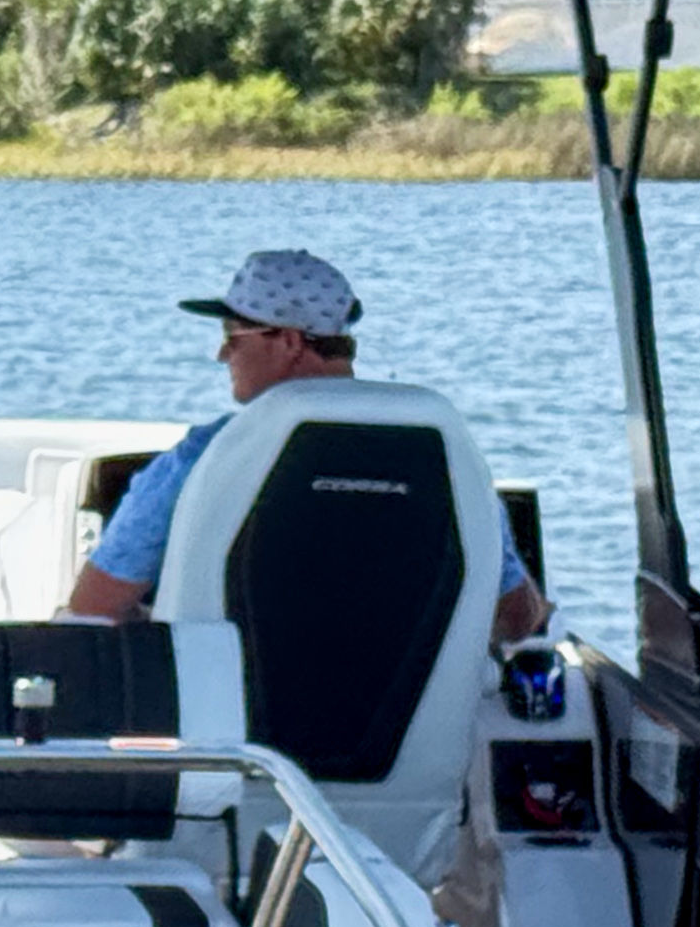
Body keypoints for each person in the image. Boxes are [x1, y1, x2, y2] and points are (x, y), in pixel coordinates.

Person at [66, 249, 549, 642]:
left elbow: (93, 609)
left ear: (289, 342)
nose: (221, 353)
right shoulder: (442, 456)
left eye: (233, 335)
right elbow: (517, 618)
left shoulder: (208, 455)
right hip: (419, 734)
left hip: (235, 728)